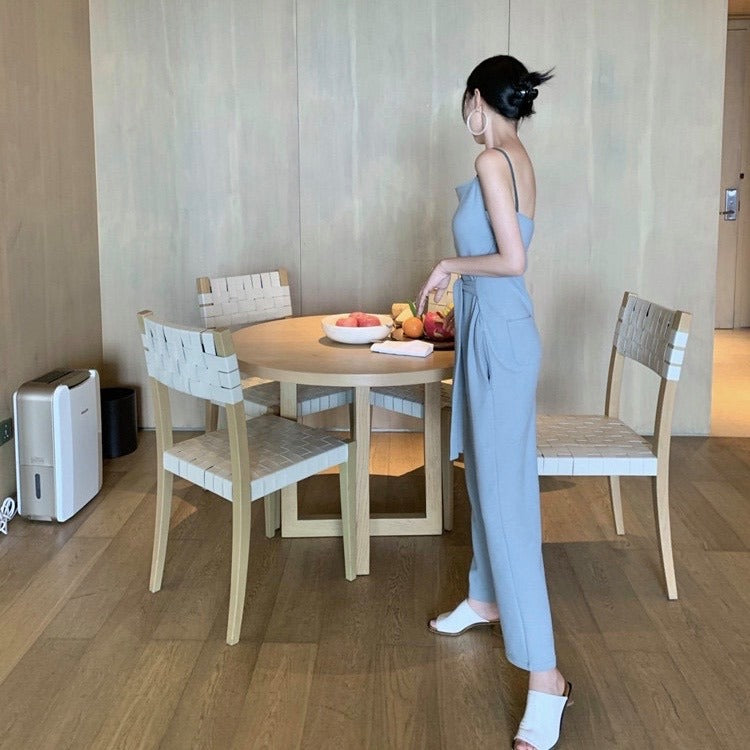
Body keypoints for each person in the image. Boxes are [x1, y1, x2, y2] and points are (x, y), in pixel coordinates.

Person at [416, 55, 571, 750]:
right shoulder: (516, 156)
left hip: (501, 338)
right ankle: (484, 598)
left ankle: (547, 677)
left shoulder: (491, 160)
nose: (467, 118)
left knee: (507, 504)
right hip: (494, 328)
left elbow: (513, 260)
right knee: (482, 476)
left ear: (476, 99)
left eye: (466, 106)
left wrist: (448, 265)